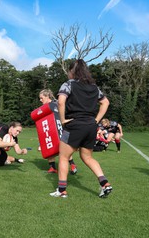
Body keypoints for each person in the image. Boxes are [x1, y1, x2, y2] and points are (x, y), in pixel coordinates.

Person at [50, 59, 112, 198]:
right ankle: (104, 183)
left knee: (64, 157)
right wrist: (96, 120)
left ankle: (61, 191)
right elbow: (105, 102)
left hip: (74, 125)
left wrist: (62, 120)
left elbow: (61, 102)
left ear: (72, 71)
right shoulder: (94, 87)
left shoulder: (68, 84)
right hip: (90, 126)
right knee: (87, 157)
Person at [38, 89, 78, 175]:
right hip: (48, 130)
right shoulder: (44, 108)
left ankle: (72, 165)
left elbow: (65, 114)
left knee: (63, 148)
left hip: (59, 129)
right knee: (49, 147)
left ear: (47, 96)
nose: (40, 100)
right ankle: (52, 167)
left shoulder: (55, 104)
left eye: (41, 98)